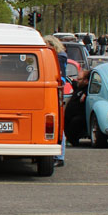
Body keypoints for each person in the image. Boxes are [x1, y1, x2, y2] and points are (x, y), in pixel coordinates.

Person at [43, 35, 69, 166]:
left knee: (57, 124)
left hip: (55, 93)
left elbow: (61, 78)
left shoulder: (58, 57)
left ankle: (60, 156)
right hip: (56, 91)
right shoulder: (60, 56)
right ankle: (59, 156)